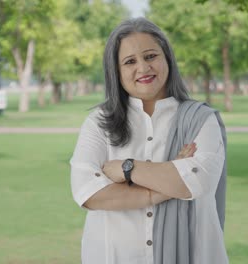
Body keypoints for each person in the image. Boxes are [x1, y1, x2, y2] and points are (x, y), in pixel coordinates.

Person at [70, 17, 229, 264]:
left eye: (150, 56)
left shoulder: (201, 119)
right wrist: (165, 185)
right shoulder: (99, 122)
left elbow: (198, 181)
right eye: (130, 61)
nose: (143, 68)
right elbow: (89, 193)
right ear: (116, 71)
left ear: (167, 58)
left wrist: (128, 169)